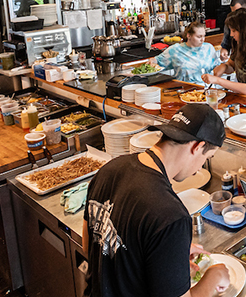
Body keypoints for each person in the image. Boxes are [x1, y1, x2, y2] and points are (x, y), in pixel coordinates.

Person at [83, 103, 230, 297]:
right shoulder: (171, 215)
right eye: (207, 157)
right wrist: (213, 278)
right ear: (197, 146)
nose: (198, 169)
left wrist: (168, 255)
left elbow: (90, 244)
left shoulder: (109, 170)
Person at [150, 21, 220, 85]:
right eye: (199, 37)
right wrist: (152, 61)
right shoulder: (176, 49)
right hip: (184, 89)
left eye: (204, 36)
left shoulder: (209, 48)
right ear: (189, 35)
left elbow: (217, 67)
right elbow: (157, 60)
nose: (202, 39)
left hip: (207, 90)